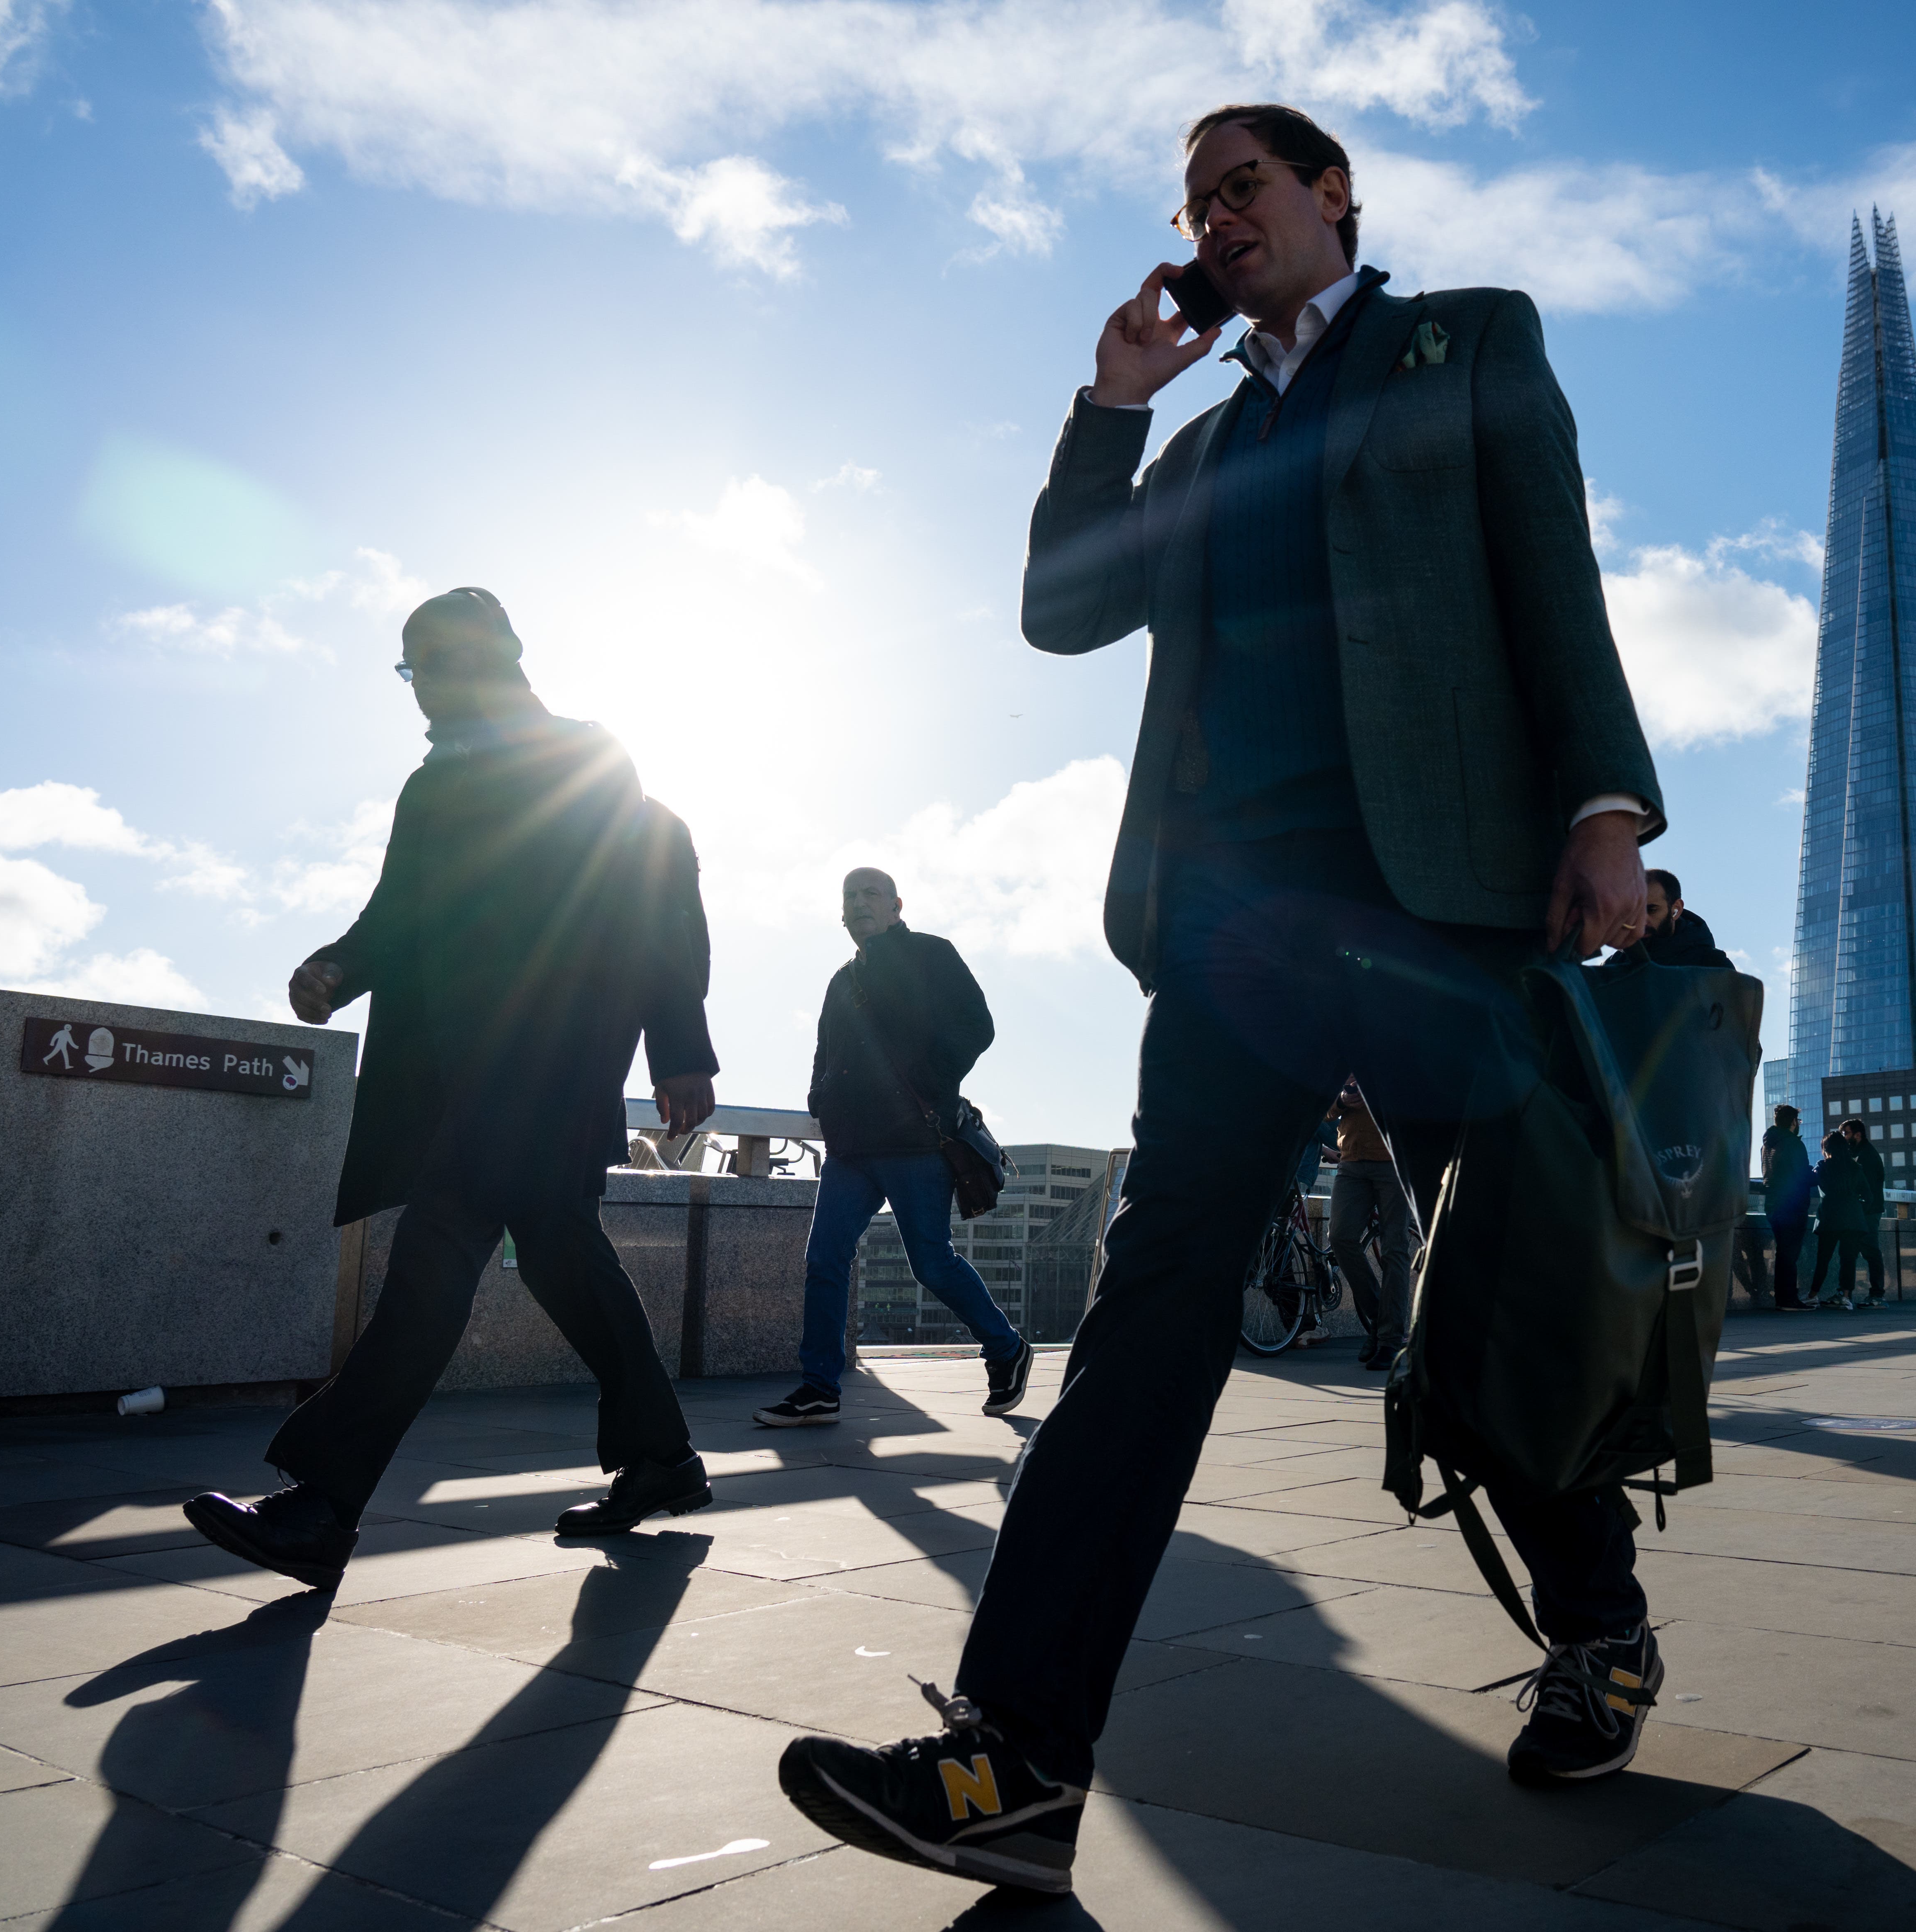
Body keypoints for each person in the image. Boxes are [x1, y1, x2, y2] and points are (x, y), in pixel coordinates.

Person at [774, 102, 1672, 1892]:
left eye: (1242, 185)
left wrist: (1604, 810)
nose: (1214, 216)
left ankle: (1600, 1620)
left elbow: (1547, 574)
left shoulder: (1465, 341)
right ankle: (1019, 1756)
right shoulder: (1196, 449)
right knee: (1154, 1298)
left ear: (1335, 197)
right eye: (1193, 202)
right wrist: (1111, 406)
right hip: (1232, 933)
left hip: (1439, 906)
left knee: (1488, 1291)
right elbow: (1057, 612)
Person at [182, 588, 721, 1589]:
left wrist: (679, 1046)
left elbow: (647, 896)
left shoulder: (588, 756)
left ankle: (324, 1504)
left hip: (550, 1060)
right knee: (563, 1257)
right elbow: (399, 912)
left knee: (432, 1263)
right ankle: (660, 1457)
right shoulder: (431, 787)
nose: (419, 686)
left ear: (494, 656)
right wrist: (339, 966)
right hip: (465, 1069)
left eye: (428, 662)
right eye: (410, 667)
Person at [757, 870, 1031, 1428]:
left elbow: (977, 1025)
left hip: (914, 1142)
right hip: (851, 1148)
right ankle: (819, 1388)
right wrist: (820, 1095)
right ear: (842, 914)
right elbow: (824, 1049)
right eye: (850, 897)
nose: (859, 904)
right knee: (824, 1260)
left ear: (896, 906)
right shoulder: (841, 980)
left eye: (870, 895)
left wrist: (929, 1080)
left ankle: (1006, 1349)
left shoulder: (932, 956)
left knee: (932, 1263)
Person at [1329, 1080, 1417, 1368]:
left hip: (1394, 1161)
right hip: (1351, 1160)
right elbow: (1322, 1109)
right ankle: (1383, 1324)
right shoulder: (1342, 1058)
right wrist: (1342, 1100)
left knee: (1395, 1249)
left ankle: (1390, 1340)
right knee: (1340, 1238)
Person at [1809, 1117, 1888, 1309]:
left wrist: (1856, 1210)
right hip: (1857, 1216)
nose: (1844, 1137)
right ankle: (1846, 1296)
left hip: (1864, 1214)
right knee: (1850, 1256)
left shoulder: (1866, 1157)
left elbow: (1864, 1191)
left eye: (1847, 1133)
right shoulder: (1856, 1159)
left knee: (1869, 1253)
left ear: (1858, 1135)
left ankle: (1876, 1296)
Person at [1761, 1104, 1814, 1310]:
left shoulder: (1768, 1145)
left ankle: (1783, 1298)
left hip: (1773, 1204)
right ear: (1793, 1122)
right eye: (1798, 1121)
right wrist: (1818, 1174)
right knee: (1789, 1254)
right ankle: (1788, 1299)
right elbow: (1803, 1176)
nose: (1798, 1125)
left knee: (1783, 1252)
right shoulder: (1793, 1144)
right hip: (1792, 1205)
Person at [1637, 869, 1731, 969]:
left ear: (1676, 909)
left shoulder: (1713, 966)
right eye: (1633, 912)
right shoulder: (1620, 966)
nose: (1640, 920)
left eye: (1652, 910)